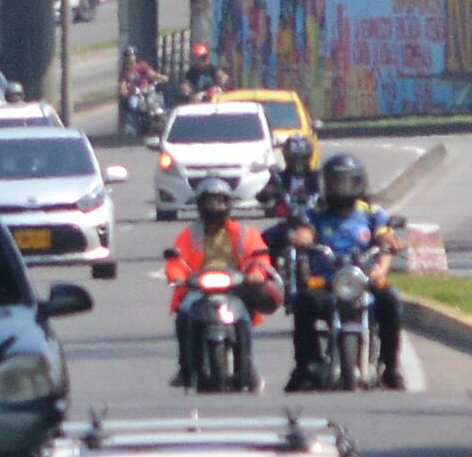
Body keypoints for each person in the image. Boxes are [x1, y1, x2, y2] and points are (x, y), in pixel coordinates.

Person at [289, 149, 409, 388]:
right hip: (328, 281)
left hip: (364, 280)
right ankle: (306, 364)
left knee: (391, 301)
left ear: (359, 183)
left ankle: (390, 366)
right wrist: (301, 238)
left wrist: (384, 260)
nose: (342, 188)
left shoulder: (372, 213)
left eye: (347, 182)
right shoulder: (316, 213)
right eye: (336, 183)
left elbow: (384, 239)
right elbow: (304, 231)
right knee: (302, 303)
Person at [163, 174, 274, 385]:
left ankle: (248, 365)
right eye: (209, 201)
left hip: (235, 288)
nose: (215, 206)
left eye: (220, 200)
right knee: (184, 313)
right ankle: (185, 368)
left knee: (244, 317)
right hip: (199, 290)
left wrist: (257, 271)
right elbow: (176, 260)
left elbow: (259, 255)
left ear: (228, 203)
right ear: (200, 204)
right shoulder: (189, 234)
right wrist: (177, 275)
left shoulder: (244, 233)